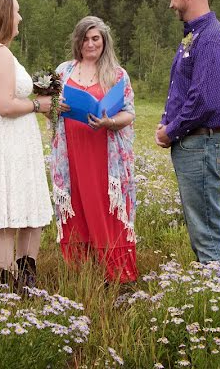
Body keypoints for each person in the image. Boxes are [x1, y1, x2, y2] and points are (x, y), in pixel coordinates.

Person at [0, 0, 57, 292]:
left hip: (12, 140)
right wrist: (38, 106)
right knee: (7, 217)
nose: (20, 18)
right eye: (17, 12)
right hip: (9, 142)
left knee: (25, 213)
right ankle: (8, 286)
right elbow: (5, 105)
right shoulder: (0, 54)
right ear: (5, 16)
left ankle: (20, 282)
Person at [155, 0, 220, 272]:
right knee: (200, 224)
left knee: (207, 228)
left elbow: (205, 99)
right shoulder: (195, 35)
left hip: (202, 143)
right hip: (193, 143)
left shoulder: (213, 38)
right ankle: (211, 287)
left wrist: (171, 131)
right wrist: (167, 123)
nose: (170, 4)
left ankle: (216, 298)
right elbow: (185, 89)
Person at [49, 16, 138, 284]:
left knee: (106, 208)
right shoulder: (63, 71)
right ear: (78, 41)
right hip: (72, 153)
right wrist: (56, 108)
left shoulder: (117, 74)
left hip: (104, 154)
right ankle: (81, 273)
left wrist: (109, 122)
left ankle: (117, 275)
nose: (90, 44)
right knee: (76, 204)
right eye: (85, 39)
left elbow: (129, 113)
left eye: (95, 38)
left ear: (104, 41)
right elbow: (48, 110)